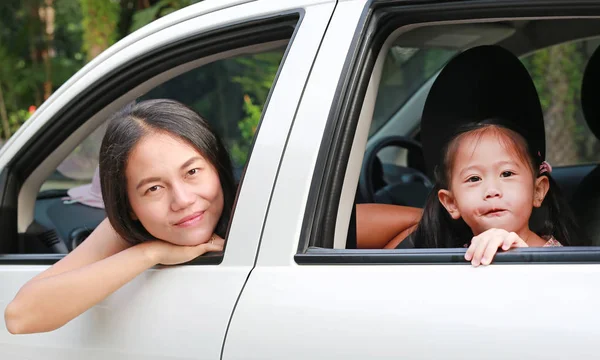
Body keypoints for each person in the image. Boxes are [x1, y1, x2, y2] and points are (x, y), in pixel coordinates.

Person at [4, 99, 235, 334]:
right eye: (154, 188)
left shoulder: (262, 203)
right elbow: (20, 316)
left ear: (216, 166)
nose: (183, 200)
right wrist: (151, 252)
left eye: (192, 172)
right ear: (129, 207)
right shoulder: (130, 229)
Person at [405, 45, 581, 265]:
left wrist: (519, 255)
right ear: (451, 203)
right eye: (474, 179)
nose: (492, 191)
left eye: (507, 173)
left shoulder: (561, 259)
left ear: (538, 191)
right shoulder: (453, 257)